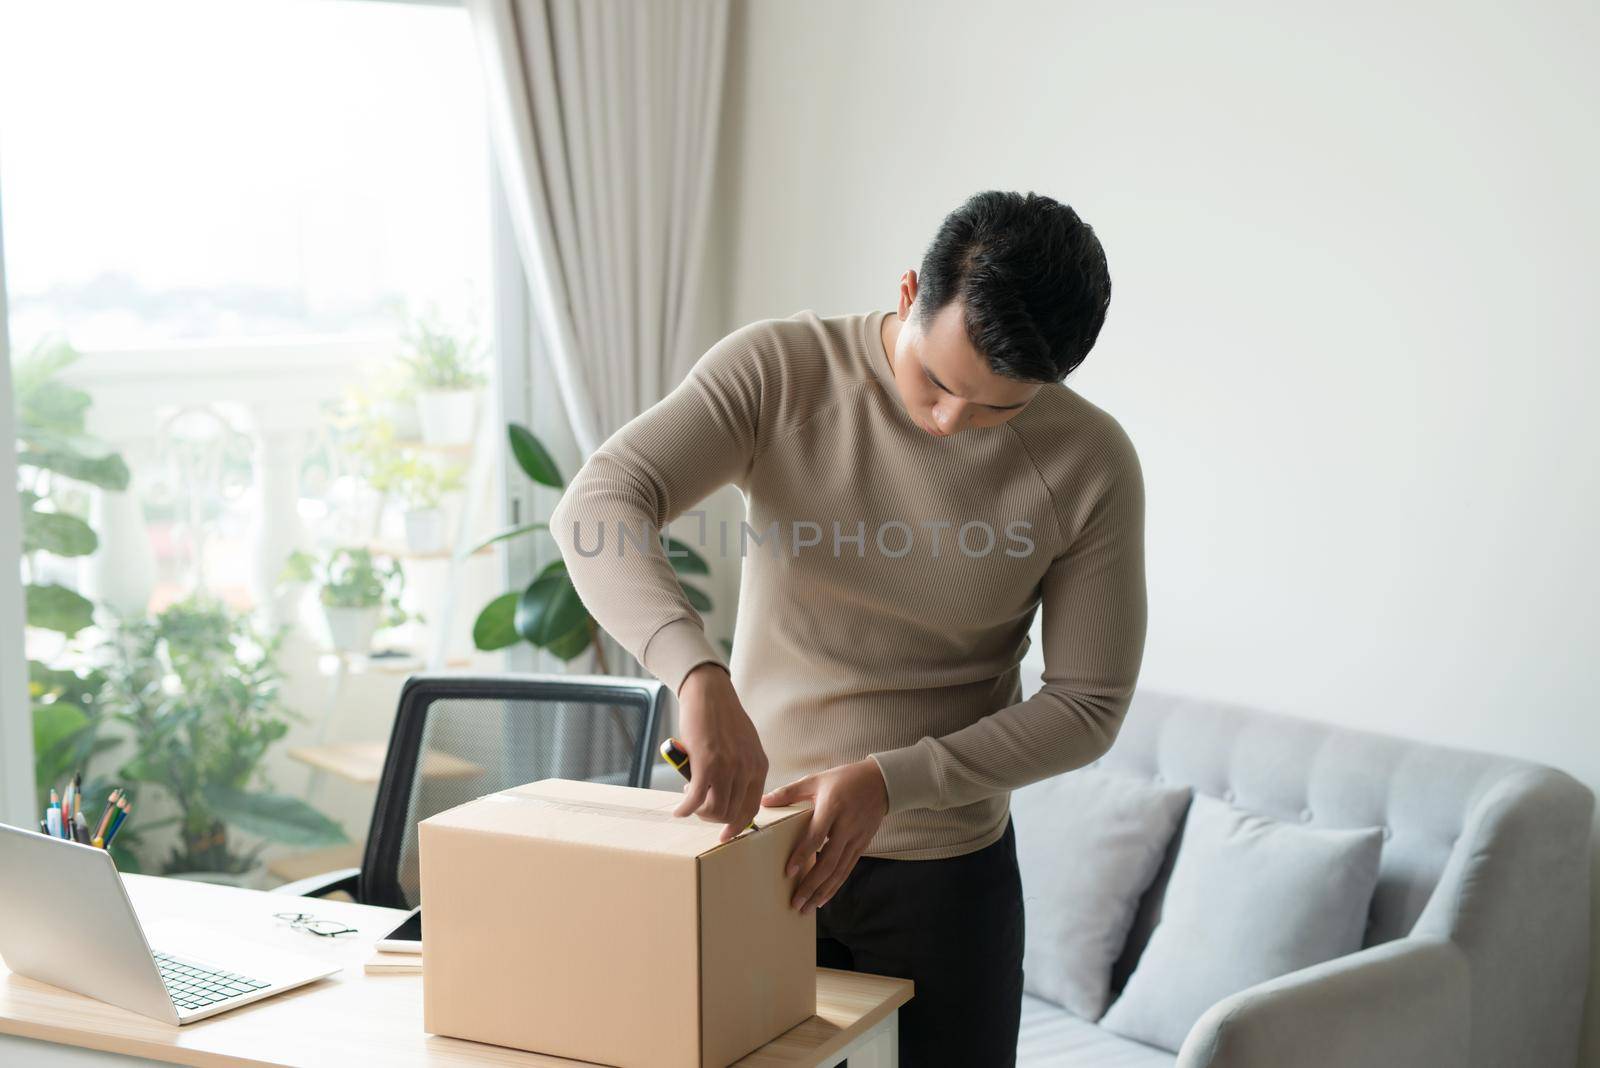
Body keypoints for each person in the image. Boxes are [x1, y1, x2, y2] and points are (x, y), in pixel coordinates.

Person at [550, 189, 1148, 1066]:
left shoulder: (1091, 463)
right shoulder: (783, 370)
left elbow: (1090, 703)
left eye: (998, 410)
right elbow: (600, 503)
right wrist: (695, 672)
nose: (951, 423)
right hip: (753, 850)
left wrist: (894, 780)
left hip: (945, 880)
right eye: (937, 382)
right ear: (909, 294)